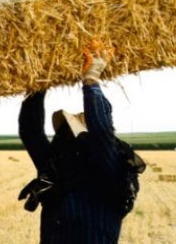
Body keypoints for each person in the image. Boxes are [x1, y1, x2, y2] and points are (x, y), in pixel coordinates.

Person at [18, 49, 128, 244]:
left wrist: (91, 81)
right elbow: (30, 131)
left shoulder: (110, 170)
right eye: (63, 133)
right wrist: (37, 85)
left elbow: (102, 133)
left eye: (69, 132)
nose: (63, 138)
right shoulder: (55, 169)